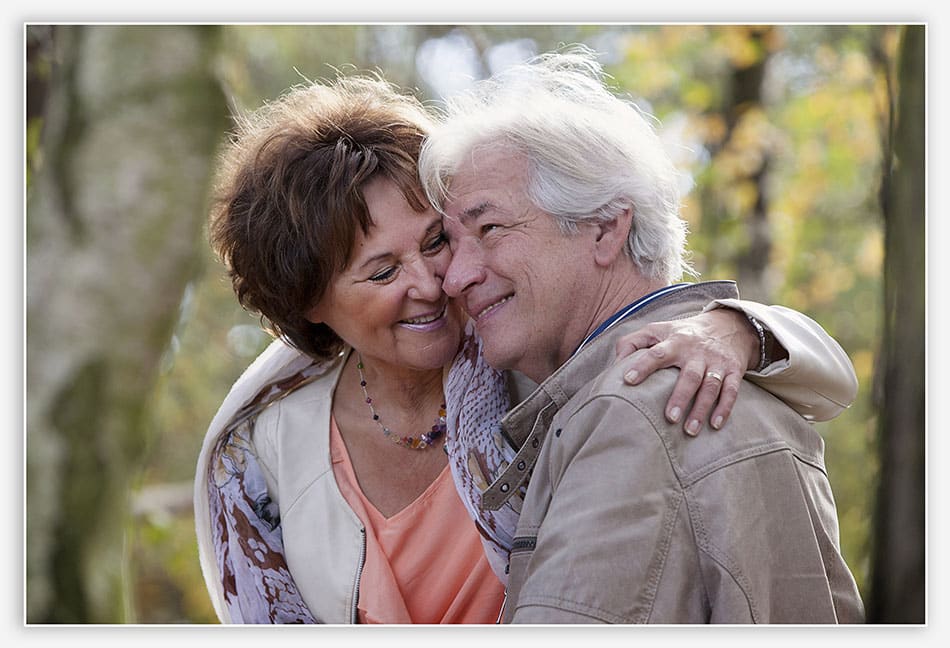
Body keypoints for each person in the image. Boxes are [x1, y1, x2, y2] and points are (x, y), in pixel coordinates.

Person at [194, 72, 859, 624]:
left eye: (436, 241)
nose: (437, 282)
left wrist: (736, 327)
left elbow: (640, 318)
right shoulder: (259, 458)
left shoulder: (524, 353)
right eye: (382, 271)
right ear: (309, 304)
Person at [418, 47, 865, 623]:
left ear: (606, 228)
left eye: (491, 228)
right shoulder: (716, 375)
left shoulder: (636, 409)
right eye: (452, 243)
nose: (455, 277)